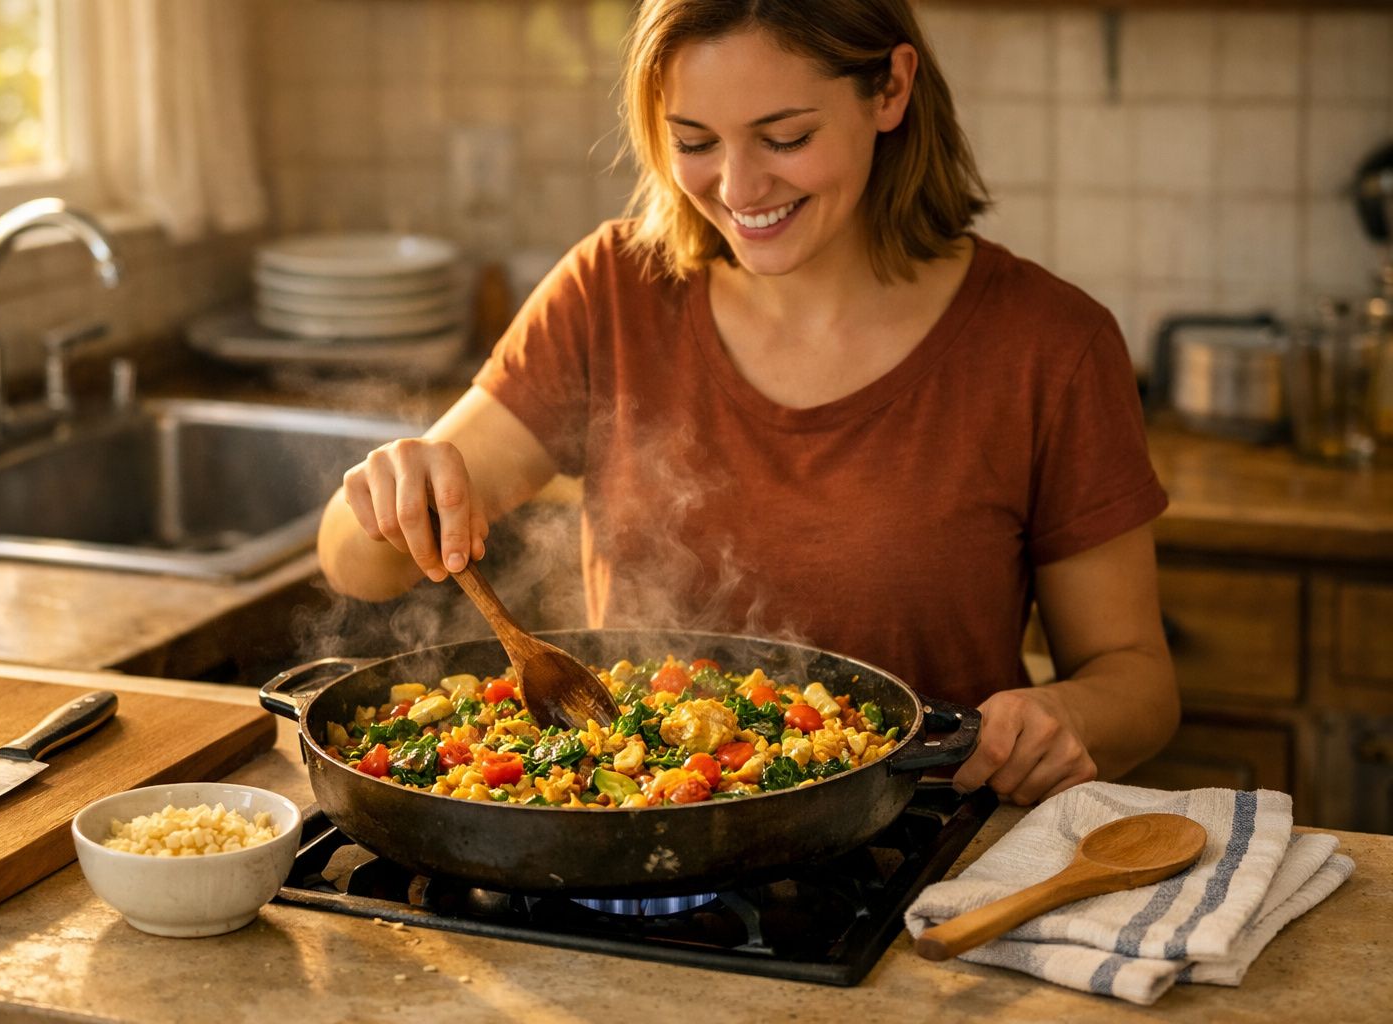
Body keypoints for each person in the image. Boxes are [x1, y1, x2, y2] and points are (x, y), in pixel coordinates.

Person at [317, 0, 1179, 805]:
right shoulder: (612, 292)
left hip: (922, 858)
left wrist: (1066, 717)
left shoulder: (1050, 345)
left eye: (785, 137)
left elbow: (1136, 683)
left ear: (891, 88)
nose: (738, 187)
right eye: (694, 141)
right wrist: (399, 492)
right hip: (640, 844)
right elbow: (355, 562)